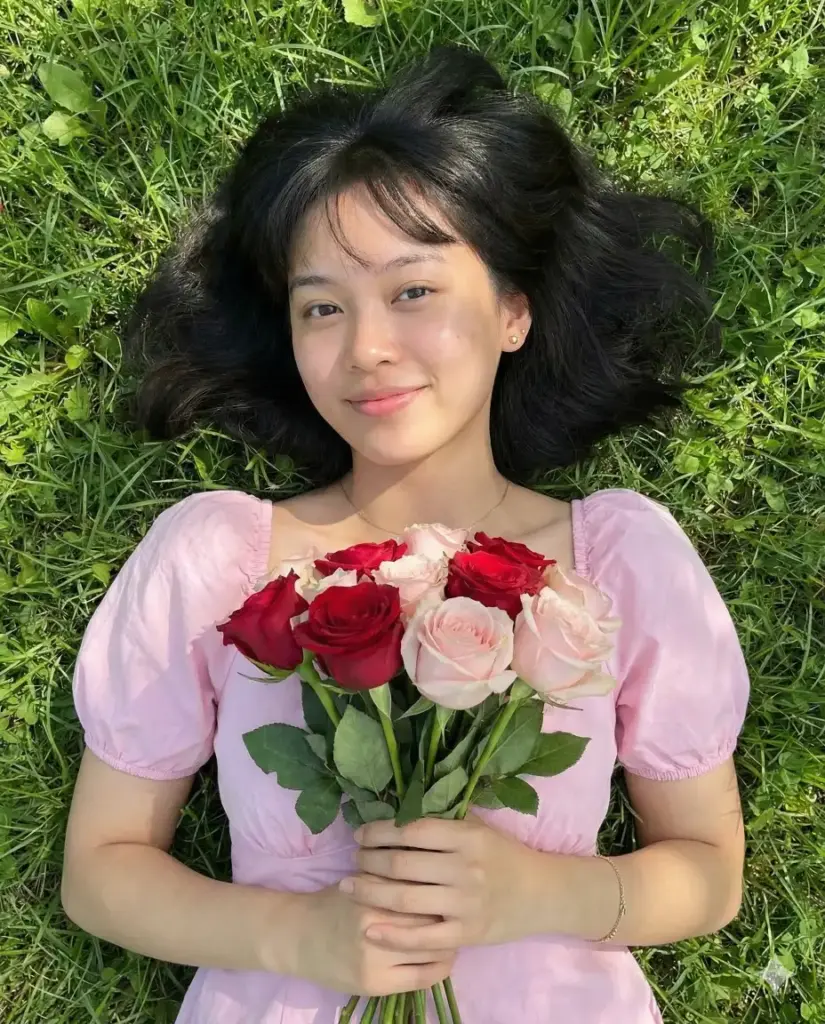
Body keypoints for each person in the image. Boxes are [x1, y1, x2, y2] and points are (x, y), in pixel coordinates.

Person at [61, 46, 749, 1024]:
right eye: (322, 307)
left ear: (514, 309)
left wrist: (542, 894)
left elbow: (712, 872)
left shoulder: (619, 561)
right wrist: (294, 935)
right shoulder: (216, 560)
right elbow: (99, 871)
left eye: (413, 290)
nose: (367, 346)